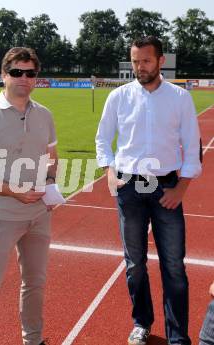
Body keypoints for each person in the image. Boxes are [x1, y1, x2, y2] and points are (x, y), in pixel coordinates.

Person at [95, 36, 202, 345]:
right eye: (134, 61)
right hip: (129, 188)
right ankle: (142, 322)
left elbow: (192, 146)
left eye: (145, 61)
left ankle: (178, 336)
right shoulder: (118, 97)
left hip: (166, 186)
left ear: (160, 62)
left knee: (173, 266)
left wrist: (181, 188)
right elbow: (103, 139)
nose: (139, 67)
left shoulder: (180, 98)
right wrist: (109, 171)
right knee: (135, 264)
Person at [0, 47, 58, 345]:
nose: (24, 79)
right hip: (1, 215)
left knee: (35, 284)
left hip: (39, 215)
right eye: (17, 72)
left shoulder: (44, 115)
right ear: (4, 75)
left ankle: (34, 340)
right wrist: (15, 192)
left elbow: (51, 157)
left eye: (30, 73)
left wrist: (51, 186)